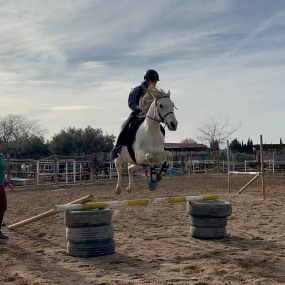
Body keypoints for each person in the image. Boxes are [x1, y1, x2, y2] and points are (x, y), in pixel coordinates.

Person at [110, 69, 160, 160]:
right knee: (125, 126)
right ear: (147, 80)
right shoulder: (138, 89)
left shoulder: (156, 92)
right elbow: (131, 103)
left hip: (151, 115)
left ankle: (160, 146)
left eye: (156, 81)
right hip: (138, 114)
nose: (155, 83)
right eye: (153, 81)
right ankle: (116, 148)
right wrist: (138, 108)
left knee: (160, 127)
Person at [0, 137, 14, 241]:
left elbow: (3, 172)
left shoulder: (1, 156)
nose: (3, 144)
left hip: (0, 185)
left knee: (3, 207)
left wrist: (7, 182)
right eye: (2, 143)